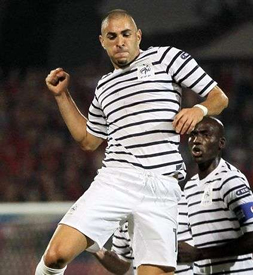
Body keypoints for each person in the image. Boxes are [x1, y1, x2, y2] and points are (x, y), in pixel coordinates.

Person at [37, 9, 228, 275]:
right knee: (55, 256)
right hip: (117, 178)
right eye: (112, 36)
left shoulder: (167, 58)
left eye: (126, 34)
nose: (120, 41)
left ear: (138, 36)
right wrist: (62, 96)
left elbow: (219, 97)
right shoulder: (104, 86)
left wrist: (199, 110)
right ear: (102, 41)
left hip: (162, 186)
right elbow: (89, 140)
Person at [179, 117, 253, 274]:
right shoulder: (190, 187)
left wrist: (200, 254)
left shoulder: (231, 180)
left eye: (205, 135)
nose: (197, 140)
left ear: (221, 143)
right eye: (193, 134)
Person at [92, 194, 194, 275]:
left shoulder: (186, 202)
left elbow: (207, 242)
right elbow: (122, 265)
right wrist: (93, 246)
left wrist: (196, 253)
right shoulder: (126, 212)